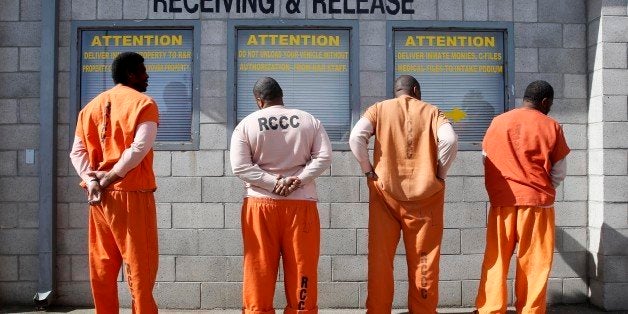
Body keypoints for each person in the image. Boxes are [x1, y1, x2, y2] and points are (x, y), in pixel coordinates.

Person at [349, 75, 458, 313]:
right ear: (416, 90)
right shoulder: (432, 112)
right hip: (426, 196)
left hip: (384, 192)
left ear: (397, 91)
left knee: (380, 259)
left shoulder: (378, 109)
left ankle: (378, 310)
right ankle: (423, 310)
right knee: (424, 260)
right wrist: (440, 174)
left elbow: (356, 136)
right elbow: (449, 139)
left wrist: (368, 170)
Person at [230, 77, 332, 314]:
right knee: (301, 265)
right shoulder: (309, 121)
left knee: (259, 267)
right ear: (281, 96)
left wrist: (272, 183)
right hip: (301, 203)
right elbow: (324, 157)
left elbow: (240, 166)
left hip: (259, 203)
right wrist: (299, 180)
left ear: (259, 101)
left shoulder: (247, 124)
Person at [69, 52, 159, 313]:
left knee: (102, 264)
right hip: (131, 193)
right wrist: (110, 177)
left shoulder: (90, 108)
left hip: (98, 198)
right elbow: (139, 148)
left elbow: (76, 151)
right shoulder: (144, 103)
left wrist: (92, 180)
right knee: (140, 265)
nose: (147, 76)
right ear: (131, 74)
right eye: (143, 71)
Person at [475, 80, 570, 313]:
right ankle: (529, 310)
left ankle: (490, 308)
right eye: (550, 104)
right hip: (537, 203)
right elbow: (559, 171)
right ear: (545, 101)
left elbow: (487, 159)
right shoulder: (551, 126)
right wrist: (543, 188)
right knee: (534, 263)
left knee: (496, 258)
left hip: (502, 202)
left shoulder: (498, 122)